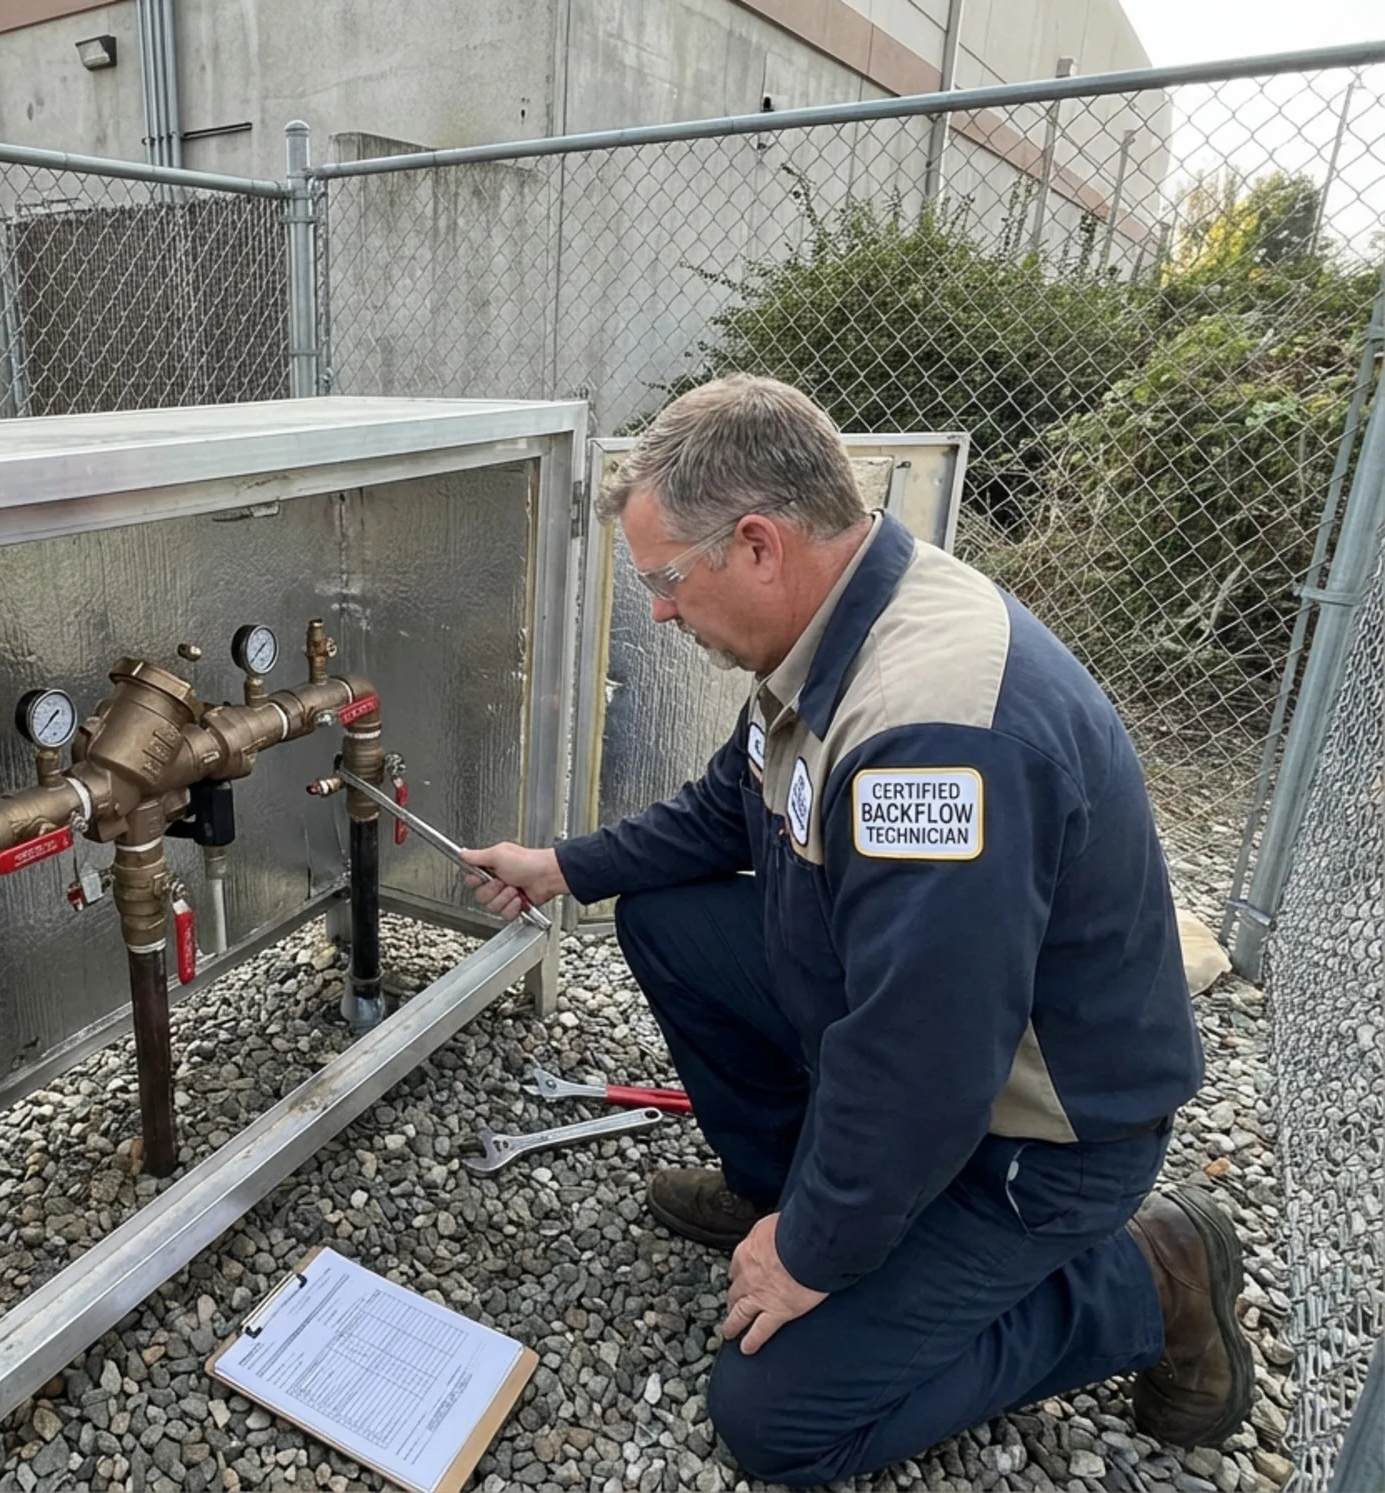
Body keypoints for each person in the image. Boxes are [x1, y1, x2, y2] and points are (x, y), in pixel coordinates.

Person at [462, 374, 1251, 1488]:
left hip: (1032, 1135)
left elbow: (923, 1060)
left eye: (664, 580)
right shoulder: (839, 622)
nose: (659, 612)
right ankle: (784, 1177)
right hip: (923, 1035)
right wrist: (562, 868)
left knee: (776, 1416)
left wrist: (810, 1255)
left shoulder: (932, 732)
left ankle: (1143, 1275)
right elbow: (725, 807)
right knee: (672, 920)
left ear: (756, 543)